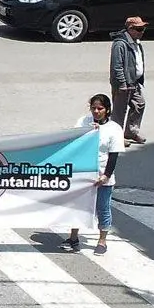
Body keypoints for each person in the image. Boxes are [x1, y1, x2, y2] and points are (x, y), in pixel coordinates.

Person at [60, 93, 124, 256]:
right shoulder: (83, 122)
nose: (96, 111)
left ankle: (102, 240)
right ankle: (73, 238)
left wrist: (106, 175)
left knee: (102, 209)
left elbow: (114, 155)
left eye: (100, 108)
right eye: (93, 108)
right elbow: (74, 140)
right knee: (78, 207)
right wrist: (88, 131)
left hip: (102, 177)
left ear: (107, 110)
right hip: (83, 174)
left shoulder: (114, 129)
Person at [109, 16, 148, 146]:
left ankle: (131, 132)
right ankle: (116, 137)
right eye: (139, 29)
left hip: (134, 82)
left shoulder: (136, 42)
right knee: (119, 112)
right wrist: (122, 83)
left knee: (139, 105)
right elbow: (117, 66)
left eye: (143, 29)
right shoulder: (120, 44)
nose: (142, 32)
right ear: (130, 29)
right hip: (124, 84)